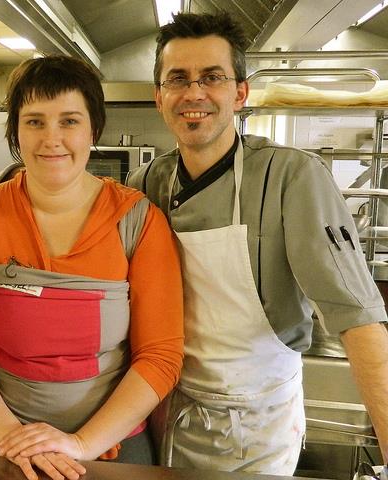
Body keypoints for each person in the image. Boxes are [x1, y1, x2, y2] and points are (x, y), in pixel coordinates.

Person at [127, 11, 388, 474]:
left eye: (212, 77)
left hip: (259, 426)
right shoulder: (146, 182)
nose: (194, 93)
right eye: (178, 79)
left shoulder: (292, 178)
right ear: (159, 97)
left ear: (240, 93)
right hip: (169, 412)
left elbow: (358, 319)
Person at [0, 55, 184, 480]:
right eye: (34, 121)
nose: (52, 138)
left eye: (69, 121)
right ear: (15, 130)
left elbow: (160, 356)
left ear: (93, 130)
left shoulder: (137, 221)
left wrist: (80, 444)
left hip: (110, 450)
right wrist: (11, 435)